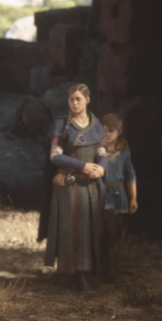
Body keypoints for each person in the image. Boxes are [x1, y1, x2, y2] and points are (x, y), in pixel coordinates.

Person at [40, 83, 109, 293]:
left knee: (93, 226)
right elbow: (55, 156)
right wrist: (83, 166)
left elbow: (103, 152)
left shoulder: (95, 123)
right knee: (75, 227)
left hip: (92, 185)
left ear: (87, 100)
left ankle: (94, 270)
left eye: (78, 99)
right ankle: (78, 274)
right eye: (71, 99)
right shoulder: (63, 123)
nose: (74, 103)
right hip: (70, 184)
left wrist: (102, 169)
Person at [100, 113, 137, 252]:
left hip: (119, 195)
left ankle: (117, 259)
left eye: (111, 131)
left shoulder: (124, 152)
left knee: (119, 228)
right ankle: (106, 263)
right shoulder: (98, 152)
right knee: (109, 229)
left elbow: (130, 174)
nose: (108, 134)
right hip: (104, 194)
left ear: (119, 132)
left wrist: (133, 198)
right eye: (105, 131)